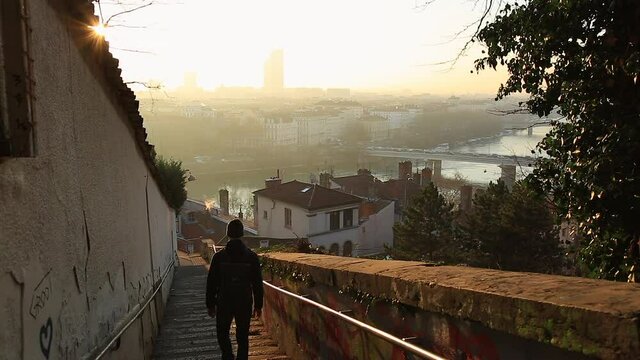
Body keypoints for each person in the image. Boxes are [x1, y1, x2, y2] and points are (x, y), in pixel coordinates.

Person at [206, 219, 264, 360]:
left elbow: (211, 282)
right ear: (242, 234)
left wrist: (210, 304)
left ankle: (227, 356)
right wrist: (258, 305)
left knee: (222, 332)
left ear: (228, 234)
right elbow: (257, 283)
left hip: (224, 300)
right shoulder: (251, 257)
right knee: (243, 335)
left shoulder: (219, 257)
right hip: (244, 301)